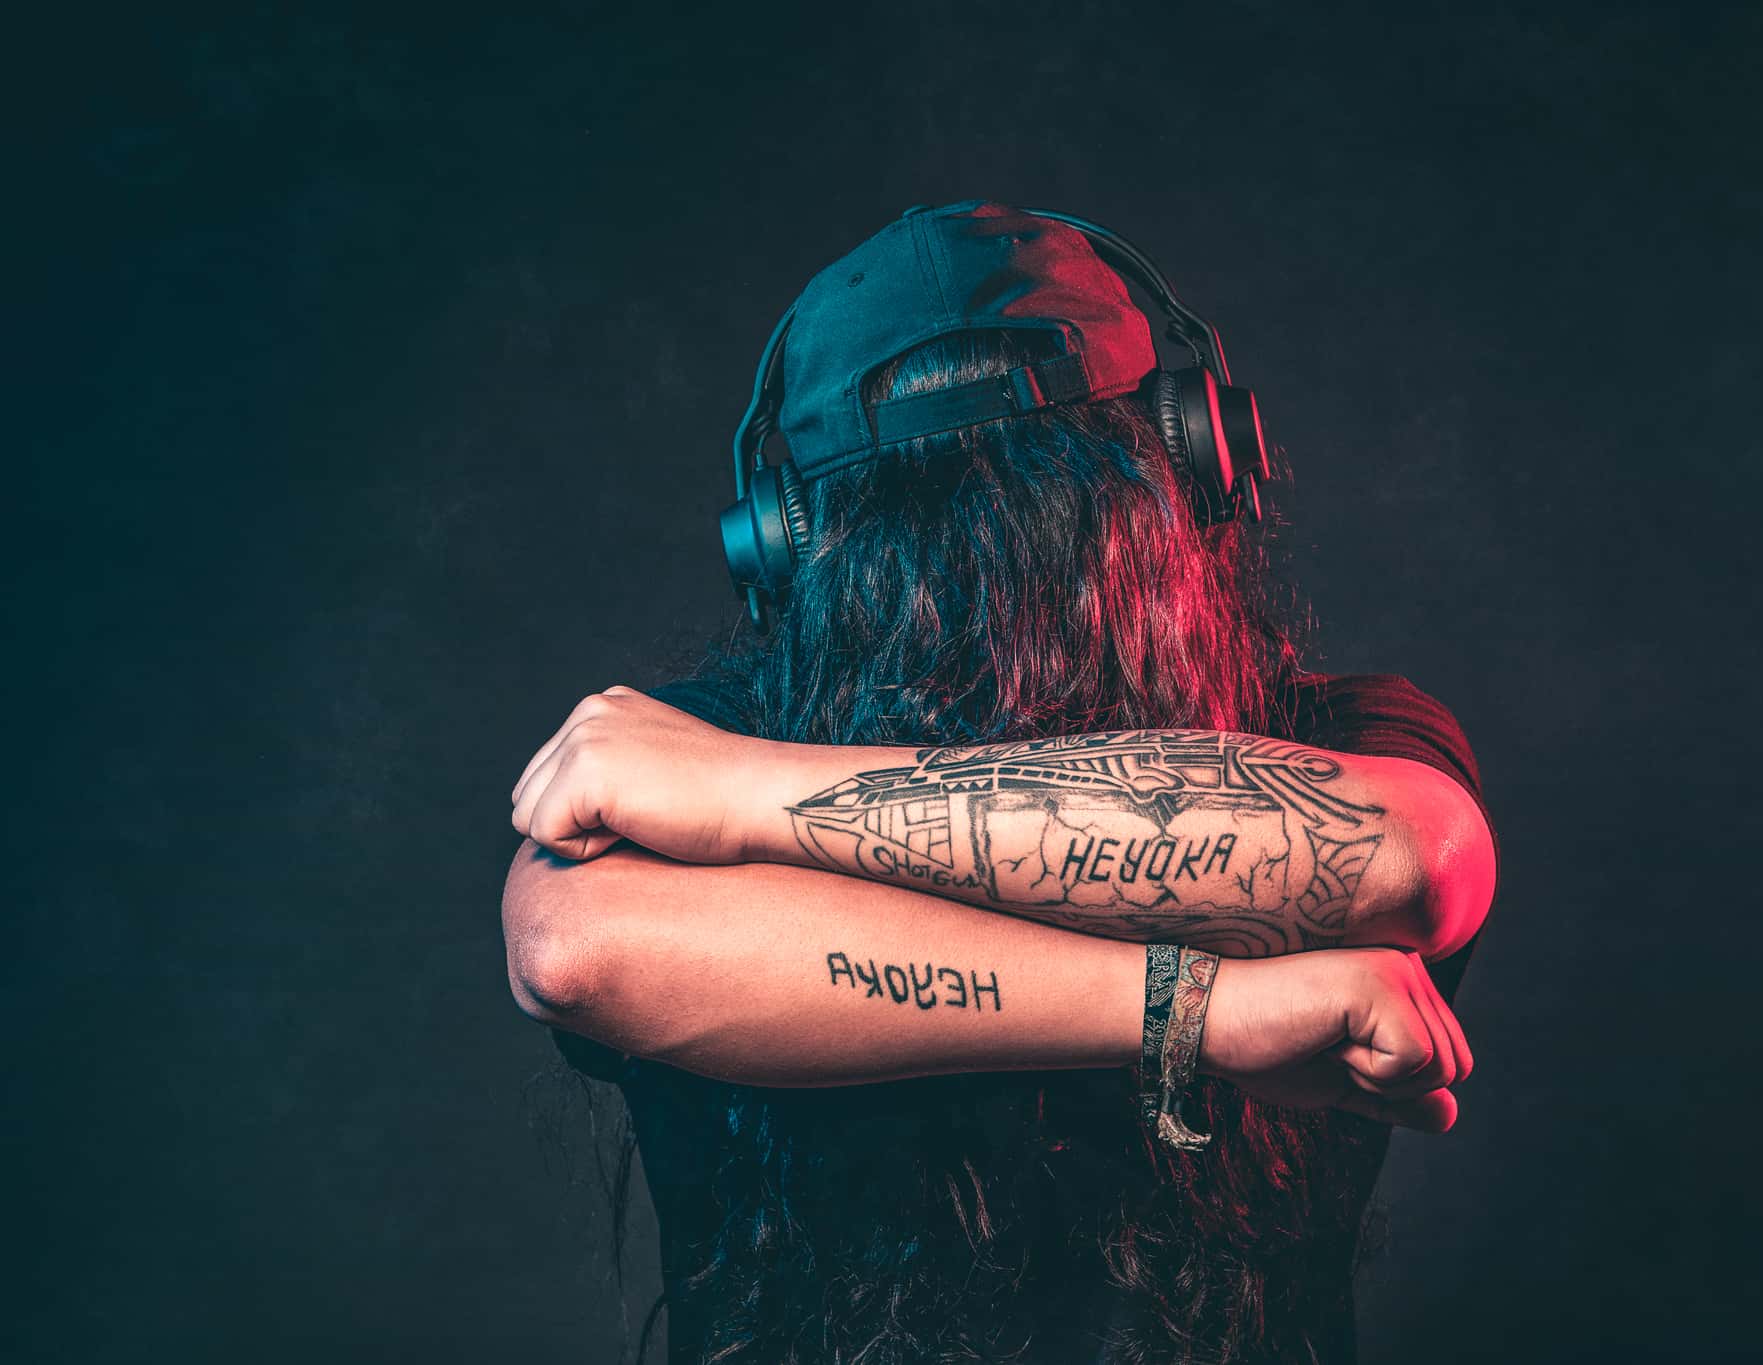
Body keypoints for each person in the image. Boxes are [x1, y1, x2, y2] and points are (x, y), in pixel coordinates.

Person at [500, 201, 1497, 1364]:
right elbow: (577, 949)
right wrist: (1206, 1012)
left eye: (1054, 484)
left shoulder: (1327, 733)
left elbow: (1411, 855)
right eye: (924, 517)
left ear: (790, 541)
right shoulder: (703, 748)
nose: (1000, 558)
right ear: (1194, 460)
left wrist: (747, 799)